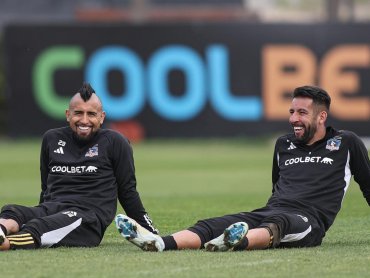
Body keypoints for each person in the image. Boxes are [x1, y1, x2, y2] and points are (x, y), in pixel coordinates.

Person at [114, 85, 370, 252]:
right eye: (292, 111)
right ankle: (160, 243)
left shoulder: (346, 142)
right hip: (270, 211)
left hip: (308, 223)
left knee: (280, 223)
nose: (294, 118)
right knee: (214, 223)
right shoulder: (284, 144)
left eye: (302, 112)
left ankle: (238, 242)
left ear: (322, 117)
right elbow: (277, 186)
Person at [0, 82, 158, 250]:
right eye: (78, 113)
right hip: (52, 209)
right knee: (11, 211)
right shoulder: (51, 138)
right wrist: (35, 213)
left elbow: (128, 191)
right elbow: (46, 188)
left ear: (101, 117)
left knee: (40, 226)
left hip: (88, 219)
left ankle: (5, 244)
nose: (84, 120)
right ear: (68, 114)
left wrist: (150, 232)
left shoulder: (115, 142)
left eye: (91, 114)